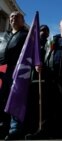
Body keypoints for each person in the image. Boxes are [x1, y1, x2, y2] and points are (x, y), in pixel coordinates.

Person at [27, 17, 62, 140]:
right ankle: (43, 131)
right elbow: (43, 55)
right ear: (60, 26)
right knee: (47, 105)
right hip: (50, 76)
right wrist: (39, 65)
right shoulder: (52, 40)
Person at [0, 11, 28, 140]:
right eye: (11, 17)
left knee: (15, 99)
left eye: (17, 17)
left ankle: (15, 129)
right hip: (2, 70)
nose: (13, 19)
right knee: (2, 98)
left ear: (22, 20)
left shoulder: (26, 36)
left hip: (17, 71)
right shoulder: (3, 35)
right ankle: (2, 126)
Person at [24, 25, 50, 135]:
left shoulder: (50, 44)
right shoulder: (33, 45)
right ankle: (31, 128)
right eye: (42, 30)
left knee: (44, 105)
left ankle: (43, 128)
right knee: (33, 104)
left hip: (46, 78)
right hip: (34, 78)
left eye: (46, 31)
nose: (44, 32)